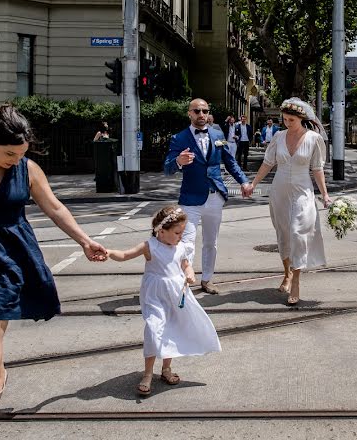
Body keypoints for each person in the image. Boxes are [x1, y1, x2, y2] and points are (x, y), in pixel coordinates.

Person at [0, 105, 108, 440]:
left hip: (8, 259)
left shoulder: (28, 169)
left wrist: (85, 241)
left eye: (22, 153)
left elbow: (54, 207)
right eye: (10, 153)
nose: (15, 160)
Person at [106, 205, 220, 396]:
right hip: (154, 293)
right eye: (177, 232)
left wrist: (190, 274)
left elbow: (186, 265)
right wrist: (108, 252)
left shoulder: (180, 247)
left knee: (171, 330)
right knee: (153, 329)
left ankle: (166, 369)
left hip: (176, 293)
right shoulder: (150, 246)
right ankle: (148, 374)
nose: (180, 236)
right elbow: (125, 255)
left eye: (182, 232)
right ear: (162, 230)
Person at [163, 99, 253, 295]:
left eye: (205, 110)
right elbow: (167, 168)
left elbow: (230, 162)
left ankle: (207, 279)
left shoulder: (217, 134)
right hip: (190, 199)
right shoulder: (180, 138)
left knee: (211, 242)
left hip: (214, 198)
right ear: (189, 113)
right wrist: (178, 161)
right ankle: (183, 280)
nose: (201, 114)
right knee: (187, 242)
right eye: (197, 111)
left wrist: (244, 182)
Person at [249, 97, 331, 306]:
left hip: (303, 190)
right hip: (280, 191)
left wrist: (325, 194)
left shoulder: (313, 139)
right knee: (284, 234)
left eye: (291, 120)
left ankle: (296, 282)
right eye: (284, 119)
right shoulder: (278, 136)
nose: (287, 123)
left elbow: (317, 169)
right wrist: (253, 184)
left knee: (298, 232)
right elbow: (268, 163)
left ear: (301, 119)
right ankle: (287, 274)